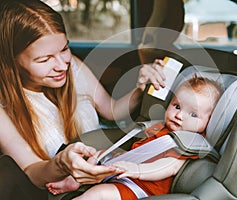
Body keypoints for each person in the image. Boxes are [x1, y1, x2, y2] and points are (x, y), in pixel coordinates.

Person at [0, 0, 165, 199]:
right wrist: (61, 163)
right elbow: (32, 171)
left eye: (64, 49)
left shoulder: (73, 66)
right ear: (12, 61)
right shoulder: (4, 106)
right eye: (45, 60)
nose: (62, 65)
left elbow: (112, 110)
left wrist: (140, 88)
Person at [46, 75, 223, 199]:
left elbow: (168, 167)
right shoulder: (160, 127)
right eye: (177, 106)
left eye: (193, 114)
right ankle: (72, 182)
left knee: (98, 194)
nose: (179, 115)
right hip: (125, 170)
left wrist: (136, 170)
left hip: (141, 187)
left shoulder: (189, 143)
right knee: (95, 156)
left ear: (209, 121)